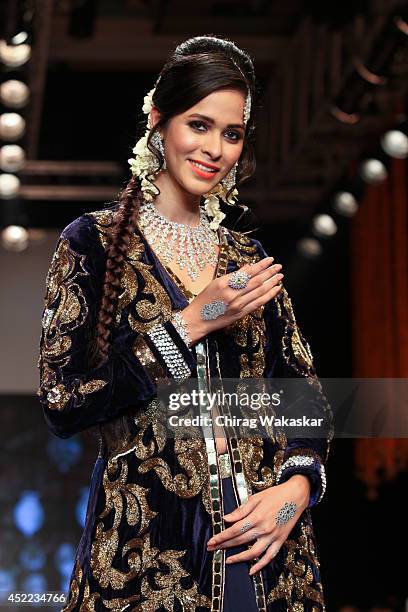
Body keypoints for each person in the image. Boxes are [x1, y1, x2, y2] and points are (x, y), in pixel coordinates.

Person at [37, 35, 333, 612]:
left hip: (267, 552)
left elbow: (309, 403)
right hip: (147, 551)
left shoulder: (248, 259)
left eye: (232, 133)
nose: (215, 149)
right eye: (199, 125)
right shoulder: (92, 246)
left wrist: (296, 490)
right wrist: (191, 322)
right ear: (158, 121)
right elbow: (61, 401)